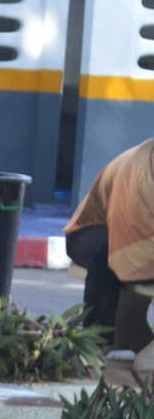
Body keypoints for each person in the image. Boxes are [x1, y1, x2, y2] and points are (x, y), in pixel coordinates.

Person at [64, 137, 154, 344]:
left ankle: (132, 338)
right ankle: (97, 337)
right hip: (91, 232)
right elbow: (128, 238)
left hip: (141, 239)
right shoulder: (137, 170)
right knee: (111, 252)